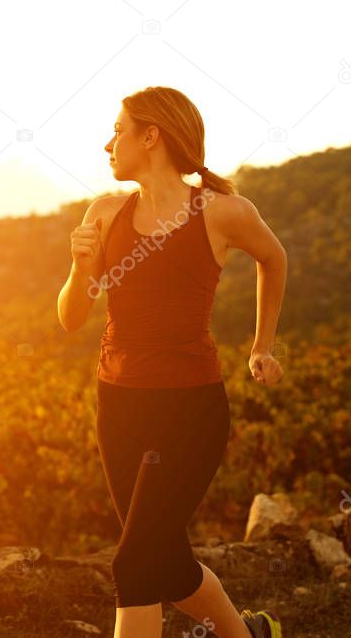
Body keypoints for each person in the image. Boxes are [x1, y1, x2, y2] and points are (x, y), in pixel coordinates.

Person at [57, 86, 288, 638]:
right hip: (118, 407)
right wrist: (78, 266)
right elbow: (70, 318)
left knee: (133, 563)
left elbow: (274, 259)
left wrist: (262, 345)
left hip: (190, 411)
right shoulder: (106, 213)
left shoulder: (223, 212)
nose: (108, 143)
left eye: (119, 130)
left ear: (151, 137)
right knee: (160, 558)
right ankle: (250, 636)